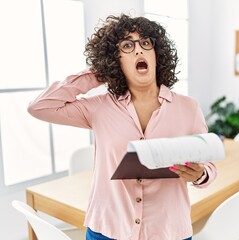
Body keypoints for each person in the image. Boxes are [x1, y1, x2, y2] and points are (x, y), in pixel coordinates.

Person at [28, 14, 217, 240]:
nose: (139, 51)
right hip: (108, 229)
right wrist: (97, 73)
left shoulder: (188, 108)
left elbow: (208, 164)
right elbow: (40, 107)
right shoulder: (99, 108)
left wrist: (200, 174)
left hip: (168, 230)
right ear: (115, 59)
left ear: (157, 53)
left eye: (146, 43)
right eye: (127, 45)